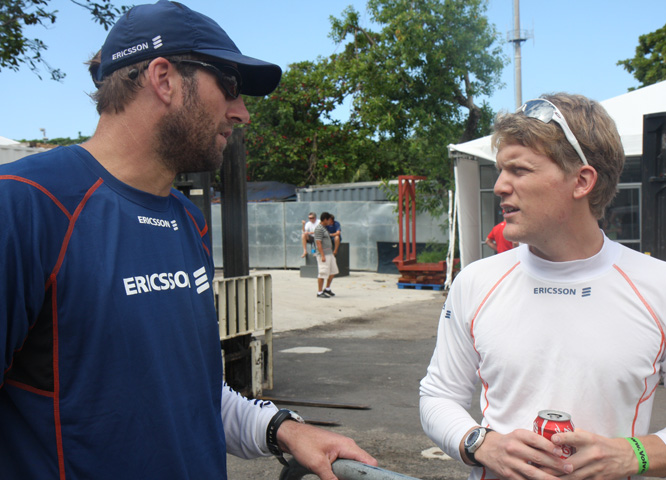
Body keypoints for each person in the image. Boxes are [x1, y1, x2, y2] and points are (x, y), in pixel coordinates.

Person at [0, 2, 376, 479]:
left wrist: (282, 428)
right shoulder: (24, 205)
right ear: (164, 79)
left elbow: (191, 391)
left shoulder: (186, 219)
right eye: (231, 87)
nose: (241, 113)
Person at [420, 93, 666, 480]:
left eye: (519, 170)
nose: (500, 185)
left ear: (581, 181)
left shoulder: (657, 286)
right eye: (501, 170)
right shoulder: (476, 281)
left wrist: (632, 453)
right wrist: (478, 442)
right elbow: (437, 395)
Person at [315, 212, 339, 298]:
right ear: (325, 219)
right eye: (328, 220)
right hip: (324, 254)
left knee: (333, 271)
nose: (329, 222)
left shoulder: (324, 228)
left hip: (330, 253)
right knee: (323, 272)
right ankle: (319, 292)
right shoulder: (319, 229)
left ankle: (327, 288)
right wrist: (322, 255)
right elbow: (318, 242)